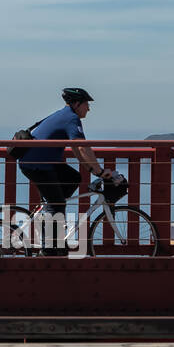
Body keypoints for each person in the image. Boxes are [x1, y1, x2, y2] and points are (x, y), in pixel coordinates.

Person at [18, 87, 115, 255]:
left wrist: (92, 169)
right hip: (37, 165)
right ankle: (49, 250)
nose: (89, 108)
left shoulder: (65, 115)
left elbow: (78, 149)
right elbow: (83, 148)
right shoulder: (71, 118)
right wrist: (99, 171)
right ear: (77, 104)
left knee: (74, 177)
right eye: (86, 104)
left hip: (42, 162)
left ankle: (49, 212)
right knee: (58, 203)